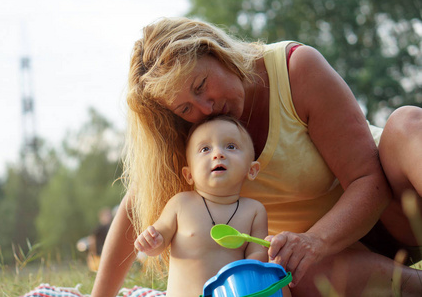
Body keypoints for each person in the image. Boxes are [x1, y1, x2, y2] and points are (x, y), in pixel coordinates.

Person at [91, 17, 422, 296]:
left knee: (405, 123)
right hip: (335, 257)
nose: (206, 108)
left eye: (201, 85)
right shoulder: (198, 134)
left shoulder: (296, 68)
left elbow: (370, 181)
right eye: (185, 107)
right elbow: (136, 205)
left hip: (396, 203)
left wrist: (315, 241)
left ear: (216, 51)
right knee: (287, 272)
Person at [134, 115, 285, 296]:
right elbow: (159, 240)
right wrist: (151, 241)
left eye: (231, 146)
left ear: (251, 170)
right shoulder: (180, 204)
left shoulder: (254, 211)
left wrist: (268, 252)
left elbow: (256, 259)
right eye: (205, 149)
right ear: (189, 175)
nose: (218, 154)